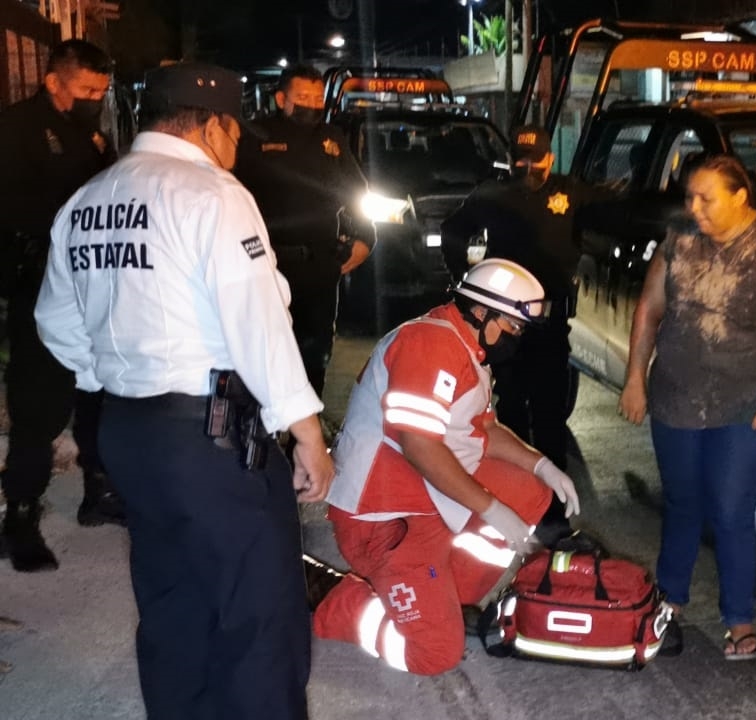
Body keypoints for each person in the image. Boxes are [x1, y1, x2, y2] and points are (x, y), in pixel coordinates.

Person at [34, 62, 335, 719]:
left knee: (173, 600)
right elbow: (255, 318)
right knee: (257, 611)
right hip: (212, 430)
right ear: (213, 124)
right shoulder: (212, 193)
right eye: (235, 132)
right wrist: (306, 429)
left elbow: (54, 321)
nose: (238, 147)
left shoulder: (89, 199)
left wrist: (109, 373)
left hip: (128, 430)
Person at [311, 257, 580, 676]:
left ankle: (446, 595)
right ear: (481, 311)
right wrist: (492, 509)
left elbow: (484, 430)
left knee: (529, 488)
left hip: (424, 499)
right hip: (384, 520)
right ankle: (334, 599)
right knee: (436, 653)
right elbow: (420, 446)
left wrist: (542, 464)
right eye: (512, 326)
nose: (516, 337)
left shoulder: (465, 349)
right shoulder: (429, 344)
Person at [618, 154, 756, 661]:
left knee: (732, 511)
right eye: (689, 196)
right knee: (682, 503)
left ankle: (738, 619)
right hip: (676, 396)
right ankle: (669, 604)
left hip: (745, 403)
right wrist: (635, 380)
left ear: (740, 197)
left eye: (705, 198)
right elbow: (650, 308)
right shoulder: (679, 237)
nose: (694, 208)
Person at [0, 39, 122, 572]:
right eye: (86, 89)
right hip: (39, 283)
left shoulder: (91, 131)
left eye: (101, 90)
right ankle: (20, 513)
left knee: (99, 390)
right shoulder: (17, 128)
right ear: (53, 81)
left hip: (93, 282)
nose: (95, 98)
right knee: (38, 402)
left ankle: (100, 491)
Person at [441, 125, 609, 479]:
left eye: (536, 161)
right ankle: (514, 497)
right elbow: (453, 231)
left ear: (551, 159)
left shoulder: (570, 192)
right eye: (520, 160)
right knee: (510, 417)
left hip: (550, 326)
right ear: (509, 159)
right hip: (504, 329)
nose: (528, 168)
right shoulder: (493, 193)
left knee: (550, 417)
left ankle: (552, 511)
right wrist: (465, 279)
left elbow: (613, 215)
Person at [235, 64, 374, 396]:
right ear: (282, 98)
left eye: (316, 97)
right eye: (303, 97)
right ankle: (265, 434)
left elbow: (356, 191)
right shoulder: (254, 135)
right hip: (267, 264)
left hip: (319, 265)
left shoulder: (331, 138)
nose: (311, 104)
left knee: (315, 355)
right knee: (264, 352)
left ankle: (305, 433)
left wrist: (366, 237)